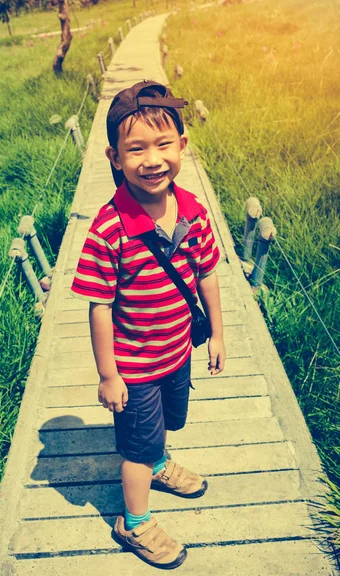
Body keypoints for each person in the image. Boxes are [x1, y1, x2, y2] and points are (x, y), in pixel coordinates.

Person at [71, 80, 226, 569]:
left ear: (183, 146)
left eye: (164, 144)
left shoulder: (194, 213)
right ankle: (134, 522)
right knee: (135, 448)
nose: (152, 159)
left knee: (168, 423)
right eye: (136, 148)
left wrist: (217, 333)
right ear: (114, 157)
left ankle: (159, 462)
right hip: (134, 366)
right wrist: (108, 374)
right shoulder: (109, 227)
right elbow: (98, 305)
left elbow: (207, 274)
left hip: (177, 351)